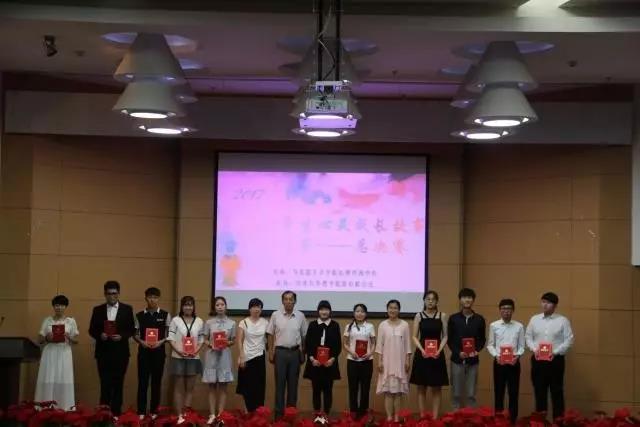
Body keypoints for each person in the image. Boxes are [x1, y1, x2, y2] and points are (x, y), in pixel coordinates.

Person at [88, 281, 136, 415]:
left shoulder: (127, 309)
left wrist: (122, 336)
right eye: (109, 294)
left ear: (118, 294)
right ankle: (103, 415)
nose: (111, 296)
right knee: (104, 384)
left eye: (114, 293)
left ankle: (116, 414)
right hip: (103, 353)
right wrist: (100, 335)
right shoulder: (97, 310)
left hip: (121, 353)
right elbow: (91, 330)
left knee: (118, 384)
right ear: (105, 294)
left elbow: (131, 329)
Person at [525, 292, 574, 420]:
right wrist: (535, 349)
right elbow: (528, 337)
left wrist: (555, 352)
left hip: (555, 361)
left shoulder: (562, 321)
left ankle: (558, 422)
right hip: (538, 360)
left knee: (557, 392)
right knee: (539, 392)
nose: (545, 305)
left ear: (555, 305)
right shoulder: (534, 319)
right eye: (543, 302)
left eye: (548, 302)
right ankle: (540, 422)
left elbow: (569, 340)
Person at [267, 290, 308, 419]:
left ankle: (290, 416)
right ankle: (278, 416)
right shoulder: (275, 315)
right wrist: (271, 352)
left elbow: (304, 336)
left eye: (291, 299)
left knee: (293, 386)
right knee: (279, 385)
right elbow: (270, 334)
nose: (288, 301)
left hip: (295, 353)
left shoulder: (300, 316)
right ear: (282, 301)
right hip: (280, 353)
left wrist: (303, 352)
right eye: (286, 299)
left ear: (295, 301)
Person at [35, 295, 79, 410]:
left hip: (64, 352)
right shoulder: (47, 320)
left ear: (66, 307)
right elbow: (39, 339)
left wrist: (69, 337)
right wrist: (47, 338)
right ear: (53, 306)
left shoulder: (71, 321)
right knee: (48, 378)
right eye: (56, 305)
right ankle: (45, 408)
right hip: (50, 352)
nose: (59, 307)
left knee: (64, 378)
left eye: (62, 305)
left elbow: (76, 341)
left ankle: (64, 408)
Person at [409, 291, 449, 419]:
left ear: (437, 301)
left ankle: (435, 418)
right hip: (422, 354)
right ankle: (422, 416)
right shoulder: (419, 316)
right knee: (421, 387)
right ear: (424, 301)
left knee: (436, 387)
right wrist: (422, 350)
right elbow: (414, 336)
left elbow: (445, 336)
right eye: (428, 299)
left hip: (437, 354)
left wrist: (439, 350)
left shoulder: (442, 316)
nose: (430, 301)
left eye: (433, 299)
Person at [134, 287, 171, 417]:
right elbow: (135, 334)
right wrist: (141, 342)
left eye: (155, 297)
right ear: (146, 298)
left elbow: (169, 335)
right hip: (143, 353)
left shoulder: (165, 315)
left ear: (158, 299)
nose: (152, 300)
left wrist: (160, 342)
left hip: (159, 353)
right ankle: (141, 411)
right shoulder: (139, 315)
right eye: (150, 297)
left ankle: (154, 411)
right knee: (142, 382)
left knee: (156, 382)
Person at [447, 287, 486, 410]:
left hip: (473, 361)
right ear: (460, 300)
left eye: (469, 297)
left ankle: (471, 418)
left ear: (473, 300)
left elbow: (482, 339)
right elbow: (450, 339)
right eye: (464, 297)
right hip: (457, 360)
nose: (467, 300)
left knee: (471, 393)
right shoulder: (453, 318)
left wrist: (476, 350)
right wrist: (458, 352)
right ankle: (455, 417)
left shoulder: (479, 319)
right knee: (456, 393)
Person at [487, 299, 525, 424]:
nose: (506, 311)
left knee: (513, 393)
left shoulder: (519, 326)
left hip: (514, 363)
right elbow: (490, 345)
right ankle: (499, 421)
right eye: (503, 308)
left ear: (513, 310)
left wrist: (517, 357)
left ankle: (513, 421)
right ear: (500, 310)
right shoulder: (494, 325)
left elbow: (522, 346)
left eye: (509, 308)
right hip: (499, 363)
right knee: (499, 392)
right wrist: (496, 356)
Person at [303, 300, 341, 421]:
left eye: (326, 309)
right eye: (322, 309)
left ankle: (326, 415)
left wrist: (332, 359)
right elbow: (308, 344)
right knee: (316, 391)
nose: (324, 312)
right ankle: (317, 415)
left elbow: (338, 345)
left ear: (330, 311)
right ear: (318, 311)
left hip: (330, 364)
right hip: (315, 364)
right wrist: (312, 359)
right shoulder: (312, 325)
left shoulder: (335, 325)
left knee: (328, 390)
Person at [167, 296, 205, 418]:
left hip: (193, 358)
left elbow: (201, 339)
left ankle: (186, 413)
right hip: (178, 357)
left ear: (193, 307)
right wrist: (178, 351)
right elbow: (170, 338)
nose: (188, 307)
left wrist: (196, 351)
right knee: (178, 388)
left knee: (190, 388)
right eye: (185, 305)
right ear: (182, 307)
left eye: (190, 305)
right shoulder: (175, 320)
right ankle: (179, 415)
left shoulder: (199, 321)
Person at [375, 299, 412, 422]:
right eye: (390, 308)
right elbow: (379, 345)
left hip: (400, 363)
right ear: (387, 309)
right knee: (388, 392)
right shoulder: (382, 325)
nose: (393, 310)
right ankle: (389, 417)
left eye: (395, 308)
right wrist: (379, 361)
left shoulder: (405, 325)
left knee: (398, 392)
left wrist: (407, 361)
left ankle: (397, 417)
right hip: (387, 362)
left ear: (399, 310)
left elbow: (408, 345)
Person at [203, 296, 236, 424]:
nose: (220, 307)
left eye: (222, 304)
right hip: (211, 355)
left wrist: (227, 343)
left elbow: (233, 340)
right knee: (211, 386)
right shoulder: (209, 323)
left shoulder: (232, 323)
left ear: (226, 306)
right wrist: (211, 345)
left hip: (224, 356)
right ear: (214, 307)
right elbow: (204, 339)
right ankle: (212, 414)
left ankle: (221, 415)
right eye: (217, 305)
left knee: (223, 386)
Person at [343, 303, 376, 420]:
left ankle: (363, 413)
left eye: (362, 311)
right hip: (352, 360)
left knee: (365, 388)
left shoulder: (370, 326)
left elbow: (374, 343)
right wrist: (351, 352)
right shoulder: (349, 326)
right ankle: (353, 412)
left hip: (367, 361)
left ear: (365, 314)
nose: (359, 313)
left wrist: (370, 353)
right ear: (354, 313)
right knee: (353, 388)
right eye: (357, 311)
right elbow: (345, 343)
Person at [236, 298, 268, 413]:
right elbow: (239, 340)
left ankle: (258, 414)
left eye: (259, 307)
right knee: (246, 387)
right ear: (249, 309)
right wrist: (241, 356)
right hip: (246, 357)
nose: (256, 309)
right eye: (254, 307)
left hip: (259, 357)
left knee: (259, 387)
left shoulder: (265, 322)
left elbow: (269, 339)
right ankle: (247, 412)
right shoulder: (243, 322)